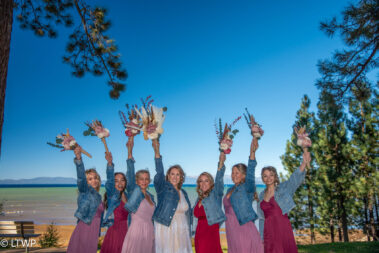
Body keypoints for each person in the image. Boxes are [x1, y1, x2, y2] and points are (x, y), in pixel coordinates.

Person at [258, 149, 311, 253]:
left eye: (271, 175)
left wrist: (303, 163)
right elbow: (261, 218)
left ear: (275, 176)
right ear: (262, 178)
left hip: (282, 227)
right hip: (268, 230)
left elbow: (294, 180)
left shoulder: (283, 188)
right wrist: (261, 237)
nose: (268, 178)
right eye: (265, 176)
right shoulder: (261, 195)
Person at [223, 135, 264, 253]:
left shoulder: (247, 187)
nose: (234, 175)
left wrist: (252, 152)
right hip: (231, 228)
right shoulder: (229, 189)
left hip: (243, 228)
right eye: (232, 172)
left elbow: (251, 170)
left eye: (237, 173)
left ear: (244, 175)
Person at [152, 139, 193, 253]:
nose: (175, 177)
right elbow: (159, 172)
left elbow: (188, 213)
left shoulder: (183, 192)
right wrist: (157, 152)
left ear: (181, 177)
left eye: (178, 174)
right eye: (172, 174)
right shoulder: (163, 188)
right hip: (166, 227)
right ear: (168, 176)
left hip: (182, 229)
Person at [121, 136, 156, 253]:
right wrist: (129, 152)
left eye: (146, 179)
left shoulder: (151, 197)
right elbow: (130, 172)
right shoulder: (134, 192)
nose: (144, 181)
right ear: (136, 181)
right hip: (136, 231)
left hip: (150, 230)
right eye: (141, 179)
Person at [67, 146, 104, 253]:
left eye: (96, 178)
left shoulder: (98, 196)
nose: (94, 181)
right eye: (90, 179)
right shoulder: (85, 191)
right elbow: (80, 178)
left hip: (95, 230)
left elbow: (100, 217)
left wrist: (98, 233)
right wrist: (79, 159)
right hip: (85, 228)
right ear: (86, 182)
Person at [194, 151, 226, 253]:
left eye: (206, 180)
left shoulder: (215, 194)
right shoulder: (198, 199)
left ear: (211, 182)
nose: (203, 183)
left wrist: (220, 163)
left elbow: (219, 180)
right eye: (201, 181)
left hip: (210, 232)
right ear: (198, 184)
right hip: (199, 233)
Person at [101, 150, 129, 253]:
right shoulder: (112, 195)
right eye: (116, 181)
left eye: (122, 180)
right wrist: (109, 164)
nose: (120, 183)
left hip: (128, 231)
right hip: (115, 232)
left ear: (125, 182)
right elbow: (109, 181)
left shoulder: (127, 196)